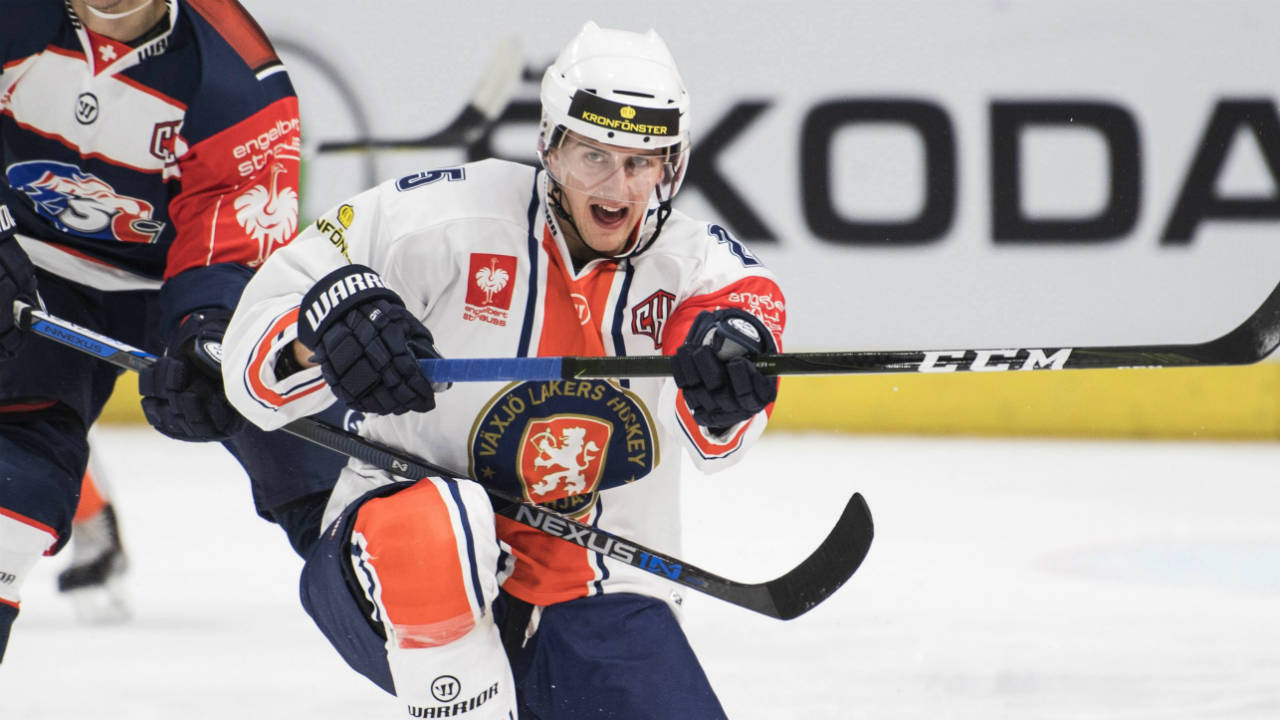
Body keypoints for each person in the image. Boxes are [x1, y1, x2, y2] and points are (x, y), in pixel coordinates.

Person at [221, 21, 787, 718]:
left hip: (597, 589)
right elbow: (254, 354)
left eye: (644, 162)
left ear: (675, 163)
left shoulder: (697, 265)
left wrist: (732, 371)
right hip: (387, 564)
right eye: (594, 157)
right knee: (438, 522)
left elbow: (731, 376)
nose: (620, 186)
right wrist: (326, 326)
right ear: (550, 147)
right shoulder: (438, 216)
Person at [0, 0, 347, 660]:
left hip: (172, 287)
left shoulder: (240, 82)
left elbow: (222, 256)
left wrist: (205, 334)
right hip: (29, 265)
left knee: (339, 487)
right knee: (9, 495)